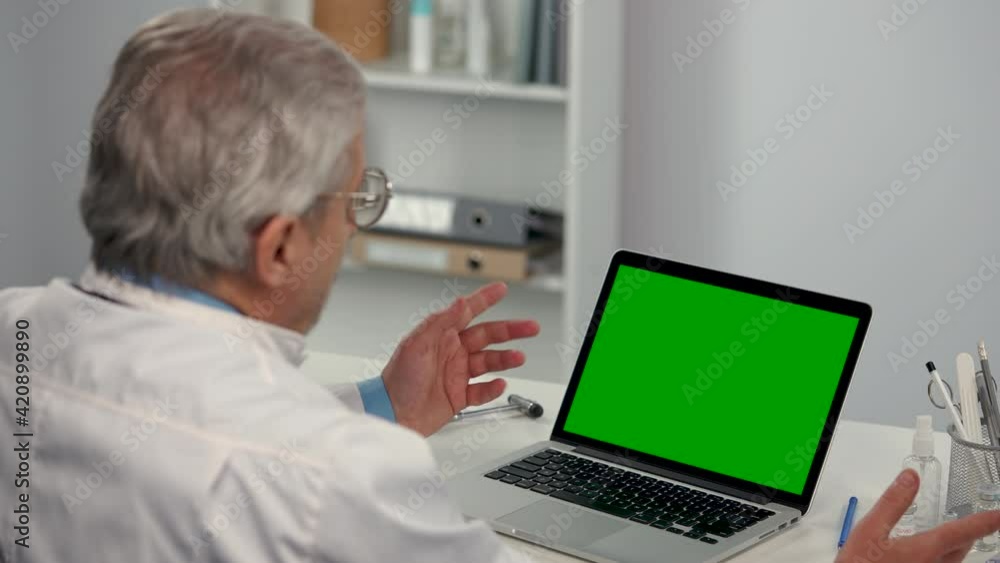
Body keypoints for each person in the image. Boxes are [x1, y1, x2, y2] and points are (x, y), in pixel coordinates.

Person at [0, 8, 997, 563]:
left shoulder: (14, 335)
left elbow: (192, 422)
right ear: (276, 248)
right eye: (355, 196)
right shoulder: (342, 479)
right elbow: (265, 460)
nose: (356, 221)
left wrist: (383, 401)